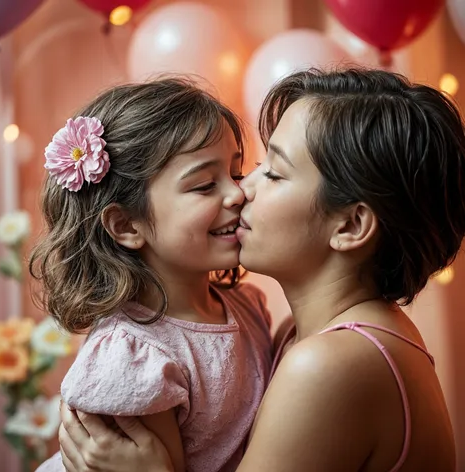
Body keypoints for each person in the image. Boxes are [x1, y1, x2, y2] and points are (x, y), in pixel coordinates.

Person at [58, 68, 463, 471]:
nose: (242, 189)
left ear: (351, 226)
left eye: (273, 173)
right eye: (254, 165)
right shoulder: (300, 335)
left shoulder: (330, 364)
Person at [30, 78, 273, 472]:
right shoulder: (135, 357)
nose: (237, 194)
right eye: (205, 184)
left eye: (236, 172)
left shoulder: (248, 307)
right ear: (126, 225)